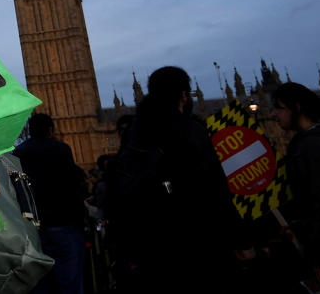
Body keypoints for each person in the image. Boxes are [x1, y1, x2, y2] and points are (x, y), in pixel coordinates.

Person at [105, 66, 247, 293]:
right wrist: (238, 237)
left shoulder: (134, 133)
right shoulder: (191, 129)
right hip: (197, 238)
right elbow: (215, 188)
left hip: (151, 244)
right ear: (183, 95)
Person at [13, 113, 88, 294]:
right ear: (50, 130)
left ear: (30, 130)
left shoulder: (18, 153)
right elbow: (73, 186)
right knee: (68, 280)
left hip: (31, 227)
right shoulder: (61, 149)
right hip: (63, 222)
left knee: (39, 280)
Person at [272, 81, 320, 289]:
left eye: (279, 108)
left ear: (296, 107)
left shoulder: (312, 145)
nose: (274, 115)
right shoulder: (319, 137)